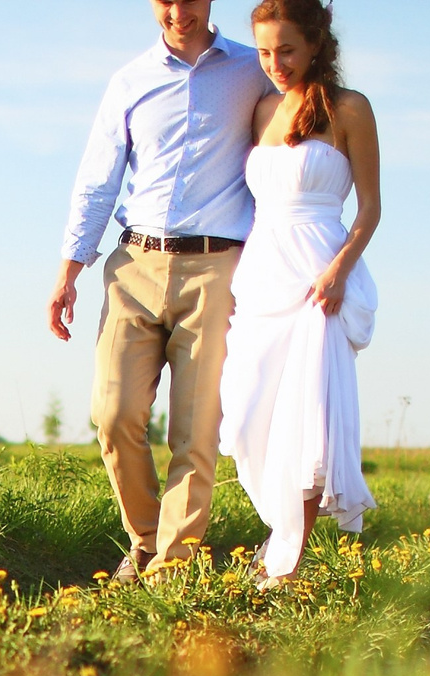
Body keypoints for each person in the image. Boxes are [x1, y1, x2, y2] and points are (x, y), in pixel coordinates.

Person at [50, 1, 271, 582]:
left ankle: (173, 562)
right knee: (114, 414)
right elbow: (98, 178)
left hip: (218, 266)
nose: (179, 11)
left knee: (196, 428)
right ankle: (146, 539)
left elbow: (301, 124)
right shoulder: (129, 81)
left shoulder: (255, 71)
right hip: (134, 265)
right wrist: (70, 267)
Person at [218, 0, 381, 583]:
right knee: (245, 413)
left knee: (307, 418)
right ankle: (278, 528)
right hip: (263, 273)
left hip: (319, 277)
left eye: (286, 49)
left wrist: (339, 269)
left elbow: (370, 209)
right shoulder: (261, 109)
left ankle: (290, 553)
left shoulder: (349, 109)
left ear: (315, 42)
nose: (275, 62)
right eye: (264, 51)